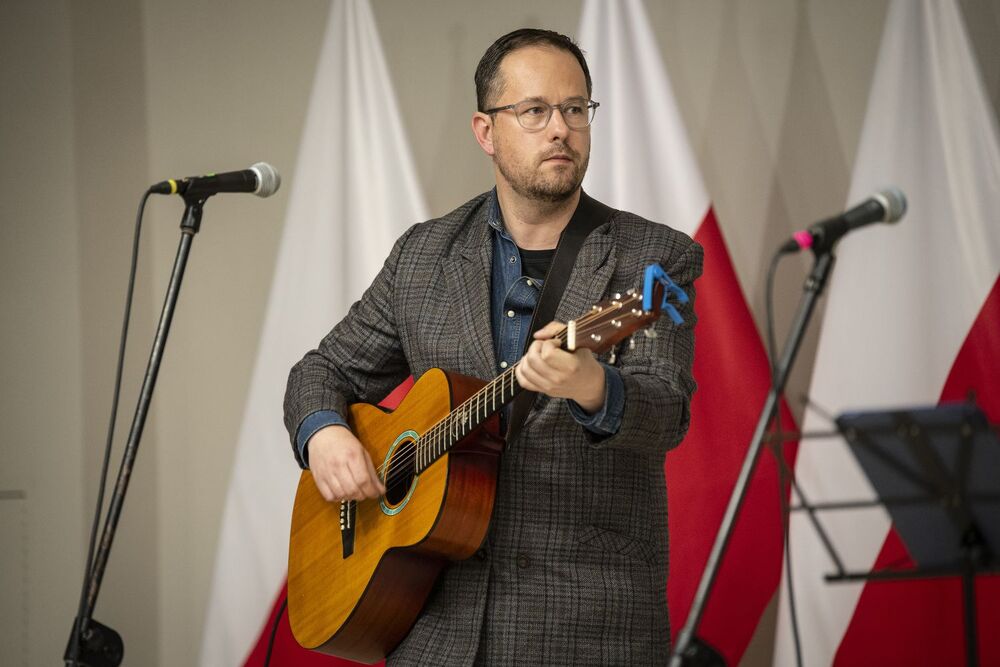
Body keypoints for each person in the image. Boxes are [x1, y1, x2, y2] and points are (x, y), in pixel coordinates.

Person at [284, 27, 702, 665]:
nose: (560, 128)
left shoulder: (653, 259)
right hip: (430, 627)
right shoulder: (424, 256)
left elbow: (666, 412)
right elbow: (322, 372)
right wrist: (324, 434)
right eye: (535, 111)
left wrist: (592, 385)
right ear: (486, 131)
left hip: (588, 628)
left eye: (575, 109)